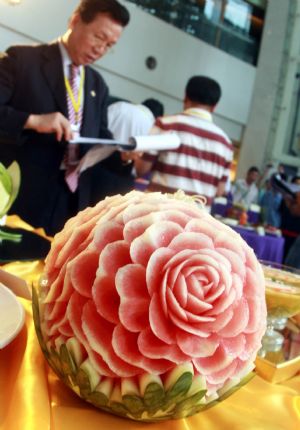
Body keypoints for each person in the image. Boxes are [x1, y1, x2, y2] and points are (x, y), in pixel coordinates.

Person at [0, 0, 130, 235]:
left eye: (110, 45)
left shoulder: (97, 85)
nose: (101, 49)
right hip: (21, 194)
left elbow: (100, 137)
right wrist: (32, 120)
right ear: (75, 20)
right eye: (99, 37)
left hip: (70, 202)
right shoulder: (21, 60)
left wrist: (123, 155)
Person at [135, 76, 233, 210]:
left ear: (185, 97)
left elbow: (141, 169)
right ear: (214, 106)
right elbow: (220, 191)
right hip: (197, 221)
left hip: (158, 214)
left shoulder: (166, 124)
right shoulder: (226, 143)